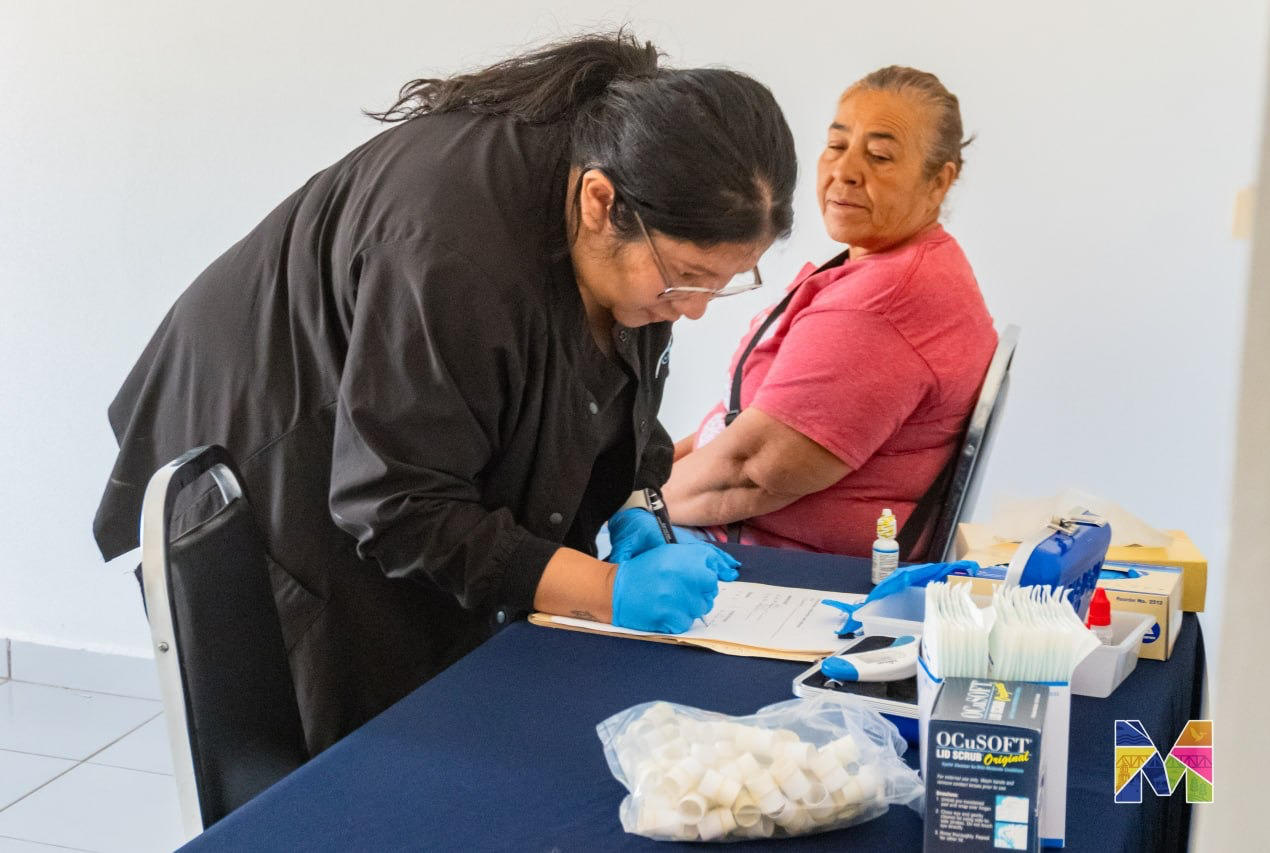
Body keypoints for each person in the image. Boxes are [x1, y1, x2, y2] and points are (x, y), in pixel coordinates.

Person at [92, 32, 798, 755]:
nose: (696, 307)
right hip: (270, 458)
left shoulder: (624, 205)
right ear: (599, 202)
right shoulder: (452, 248)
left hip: (385, 453)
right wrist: (605, 591)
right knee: (351, 751)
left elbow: (606, 383)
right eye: (685, 277)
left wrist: (634, 497)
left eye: (723, 281)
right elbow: (400, 505)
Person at [664, 66, 996, 560]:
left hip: (756, 562)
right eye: (837, 146)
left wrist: (627, 505)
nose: (844, 171)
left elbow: (749, 470)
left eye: (880, 155)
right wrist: (640, 478)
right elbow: (743, 425)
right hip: (722, 529)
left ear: (939, 181)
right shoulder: (901, 262)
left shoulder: (886, 303)